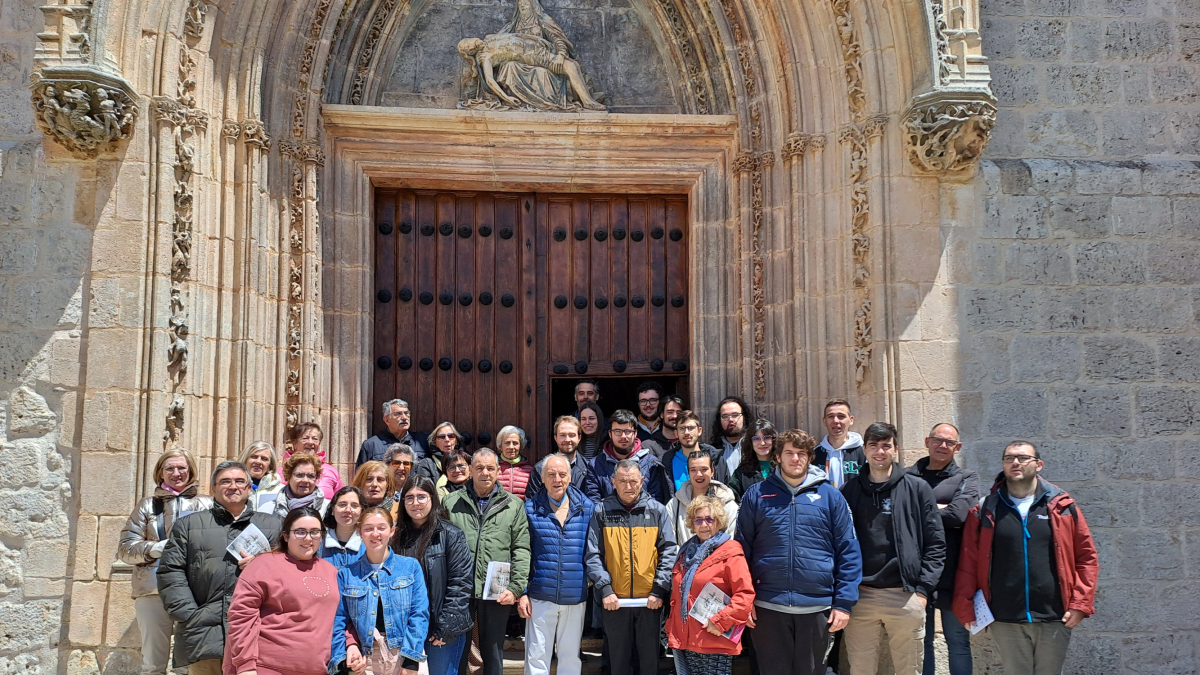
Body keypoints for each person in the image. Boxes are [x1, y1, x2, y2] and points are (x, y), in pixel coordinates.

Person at [953, 441, 1098, 675]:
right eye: (1009, 458)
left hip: (1054, 615)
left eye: (1023, 458)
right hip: (1004, 617)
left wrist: (1080, 604)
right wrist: (965, 606)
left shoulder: (1062, 506)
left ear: (1038, 465)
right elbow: (968, 562)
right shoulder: (985, 509)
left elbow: (1086, 558)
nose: (1015, 463)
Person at [158, 461, 283, 675]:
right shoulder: (188, 525)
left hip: (260, 636)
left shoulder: (274, 526)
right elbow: (170, 572)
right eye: (225, 481)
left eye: (239, 481)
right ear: (213, 488)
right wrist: (191, 616)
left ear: (249, 487)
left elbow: (289, 573)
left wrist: (262, 567)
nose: (233, 486)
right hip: (205, 635)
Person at [840, 422, 945, 675]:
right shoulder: (849, 490)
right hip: (860, 597)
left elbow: (936, 543)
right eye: (874, 445)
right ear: (864, 449)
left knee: (909, 671)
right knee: (860, 670)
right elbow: (839, 543)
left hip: (904, 594)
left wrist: (922, 590)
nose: (880, 451)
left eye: (886, 446)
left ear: (896, 449)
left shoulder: (917, 488)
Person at [118, 449, 213, 675]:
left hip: (195, 591)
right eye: (169, 468)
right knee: (152, 663)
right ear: (160, 472)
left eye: (182, 468)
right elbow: (125, 549)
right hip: (153, 590)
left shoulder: (208, 504)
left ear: (191, 471)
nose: (176, 473)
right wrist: (156, 548)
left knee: (189, 664)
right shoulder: (147, 506)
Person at [443, 448, 531, 675]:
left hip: (496, 593)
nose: (485, 473)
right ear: (470, 470)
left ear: (498, 471)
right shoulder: (451, 503)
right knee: (458, 653)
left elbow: (521, 549)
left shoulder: (513, 505)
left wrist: (515, 588)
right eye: (479, 468)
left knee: (493, 653)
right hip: (458, 591)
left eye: (490, 468)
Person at [585, 460, 677, 675]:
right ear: (613, 482)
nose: (628, 486)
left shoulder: (657, 511)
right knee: (618, 663)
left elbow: (669, 552)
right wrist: (605, 590)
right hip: (614, 602)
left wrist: (658, 589)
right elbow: (592, 554)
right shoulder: (602, 511)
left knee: (649, 663)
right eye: (623, 481)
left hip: (650, 602)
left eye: (633, 481)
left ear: (642, 482)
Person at [224, 507, 341, 675]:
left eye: (315, 532)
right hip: (266, 668)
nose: (308, 538)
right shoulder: (263, 565)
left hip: (317, 670)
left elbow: (342, 618)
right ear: (286, 535)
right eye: (300, 532)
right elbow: (241, 616)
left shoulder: (330, 571)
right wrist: (245, 666)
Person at [908, 423, 980, 675]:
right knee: (922, 641)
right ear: (927, 441)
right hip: (916, 572)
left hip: (953, 571)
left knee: (958, 642)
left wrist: (920, 510)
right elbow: (899, 514)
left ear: (957, 447)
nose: (943, 445)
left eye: (949, 442)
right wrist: (939, 508)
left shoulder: (966, 478)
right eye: (938, 440)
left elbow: (958, 515)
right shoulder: (907, 476)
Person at [519, 455, 596, 675]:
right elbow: (523, 552)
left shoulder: (586, 508)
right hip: (540, 596)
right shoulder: (530, 509)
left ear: (570, 477)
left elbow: (594, 550)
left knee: (570, 658)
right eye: (551, 474)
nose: (557, 479)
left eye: (562, 474)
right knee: (536, 657)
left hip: (574, 596)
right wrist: (523, 592)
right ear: (542, 478)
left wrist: (588, 581)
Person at [330, 507, 431, 675]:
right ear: (360, 533)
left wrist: (411, 660)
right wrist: (346, 653)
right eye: (368, 528)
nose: (375, 534)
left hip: (404, 652)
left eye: (381, 528)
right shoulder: (346, 574)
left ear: (392, 531)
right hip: (365, 659)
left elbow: (419, 614)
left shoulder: (410, 567)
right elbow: (339, 620)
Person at [393, 477, 474, 675]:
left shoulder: (450, 535)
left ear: (432, 499)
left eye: (421, 496)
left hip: (439, 630)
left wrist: (446, 627)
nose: (415, 502)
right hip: (408, 629)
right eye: (409, 498)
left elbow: (460, 584)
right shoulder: (396, 537)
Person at [666, 494, 755, 675]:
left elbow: (744, 596)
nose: (704, 525)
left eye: (709, 519)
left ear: (718, 521)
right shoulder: (685, 554)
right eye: (698, 520)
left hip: (715, 638)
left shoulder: (731, 553)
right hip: (686, 639)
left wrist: (720, 622)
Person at [590, 409, 669, 504]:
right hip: (608, 518)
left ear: (635, 433)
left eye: (627, 431)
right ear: (610, 434)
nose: (623, 436)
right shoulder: (595, 465)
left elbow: (655, 501)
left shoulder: (651, 463)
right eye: (618, 431)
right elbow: (593, 502)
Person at [666, 451, 738, 542]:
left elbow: (730, 541)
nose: (699, 474)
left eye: (704, 469)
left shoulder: (728, 505)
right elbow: (669, 543)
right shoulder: (674, 505)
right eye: (693, 470)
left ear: (712, 472)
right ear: (688, 473)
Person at [527, 415, 602, 502]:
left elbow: (594, 502)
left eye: (572, 435)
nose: (567, 439)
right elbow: (531, 503)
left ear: (579, 438)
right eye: (562, 435)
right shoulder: (540, 468)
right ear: (556, 438)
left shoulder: (589, 468)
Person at [659, 410, 725, 494]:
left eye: (691, 428)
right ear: (676, 433)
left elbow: (726, 491)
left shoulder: (716, 460)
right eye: (682, 428)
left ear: (699, 431)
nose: (686, 433)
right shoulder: (665, 463)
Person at [358, 398, 430, 468]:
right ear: (387, 420)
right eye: (398, 414)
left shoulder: (423, 442)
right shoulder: (371, 445)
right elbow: (361, 476)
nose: (404, 417)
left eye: (406, 413)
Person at [282, 422, 345, 499]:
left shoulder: (331, 471)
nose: (310, 442)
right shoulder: (281, 472)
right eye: (305, 438)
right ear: (294, 443)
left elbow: (340, 499)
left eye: (315, 439)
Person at [815, 399, 866, 489]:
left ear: (851, 420)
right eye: (831, 416)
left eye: (841, 416)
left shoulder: (864, 452)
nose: (836, 421)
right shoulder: (815, 454)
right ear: (824, 421)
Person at [265, 451, 328, 518]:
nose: (305, 480)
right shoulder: (269, 508)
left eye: (311, 476)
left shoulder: (328, 509)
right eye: (299, 475)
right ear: (288, 477)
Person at [730, 419, 776, 501]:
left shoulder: (783, 468)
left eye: (767, 437)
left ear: (773, 440)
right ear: (750, 442)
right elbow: (732, 501)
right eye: (756, 438)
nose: (762, 443)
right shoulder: (742, 473)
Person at [322, 485, 365, 568]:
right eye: (342, 504)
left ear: (361, 511)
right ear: (333, 510)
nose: (348, 510)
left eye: (354, 505)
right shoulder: (318, 541)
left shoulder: (368, 542)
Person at [710, 397, 753, 478]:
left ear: (744, 418)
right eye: (725, 416)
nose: (730, 419)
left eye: (735, 415)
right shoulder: (713, 451)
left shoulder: (755, 447)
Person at [239, 441, 283, 511]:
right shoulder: (234, 487)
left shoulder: (281, 491)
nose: (258, 462)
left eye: (264, 459)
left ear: (270, 465)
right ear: (245, 460)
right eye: (254, 457)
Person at [496, 425, 535, 500]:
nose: (511, 447)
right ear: (500, 446)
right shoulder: (493, 468)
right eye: (507, 443)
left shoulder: (530, 471)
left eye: (515, 443)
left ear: (521, 446)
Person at [634, 380, 667, 448]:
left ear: (660, 402)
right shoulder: (631, 428)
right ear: (638, 404)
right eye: (643, 401)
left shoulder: (668, 426)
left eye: (652, 400)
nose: (648, 405)